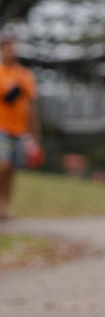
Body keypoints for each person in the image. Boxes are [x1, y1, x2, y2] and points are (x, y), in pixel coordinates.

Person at [0, 33, 42, 221]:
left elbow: (31, 108)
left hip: (20, 130)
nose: (11, 49)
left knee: (11, 170)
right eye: (7, 46)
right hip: (1, 129)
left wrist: (34, 136)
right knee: (3, 164)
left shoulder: (25, 75)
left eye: (13, 46)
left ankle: (5, 206)